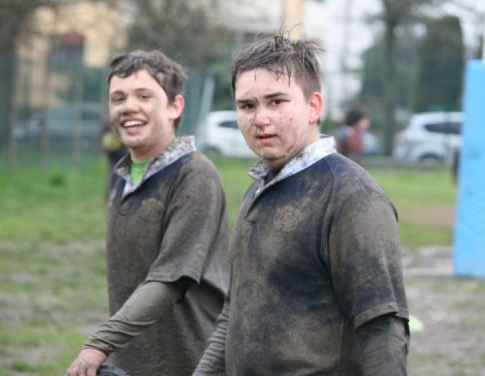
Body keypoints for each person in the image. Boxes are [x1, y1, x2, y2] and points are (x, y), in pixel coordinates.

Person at [193, 33, 409, 376]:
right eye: (247, 105)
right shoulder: (259, 190)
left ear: (314, 106)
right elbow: (235, 313)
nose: (260, 118)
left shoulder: (352, 197)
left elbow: (382, 328)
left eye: (276, 101)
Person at [66, 50, 230, 376]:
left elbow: (170, 278)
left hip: (191, 362)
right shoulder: (122, 176)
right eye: (118, 98)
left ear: (174, 106)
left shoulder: (196, 175)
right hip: (131, 362)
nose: (128, 107)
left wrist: (99, 344)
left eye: (144, 96)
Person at [99, 121, 127, 200]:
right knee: (113, 183)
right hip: (115, 160)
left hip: (127, 158)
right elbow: (102, 144)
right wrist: (106, 147)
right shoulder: (108, 125)